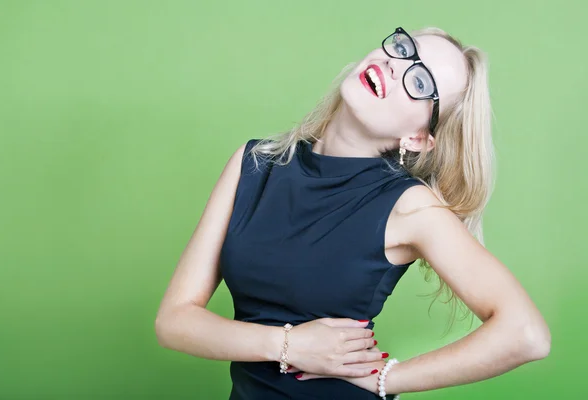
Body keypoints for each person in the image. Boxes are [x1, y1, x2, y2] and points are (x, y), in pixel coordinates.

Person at [155, 26, 551, 399]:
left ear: (416, 137)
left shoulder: (411, 207)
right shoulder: (254, 163)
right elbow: (174, 321)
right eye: (402, 48)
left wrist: (387, 379)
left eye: (419, 82)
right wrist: (287, 345)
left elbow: (526, 333)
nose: (397, 65)